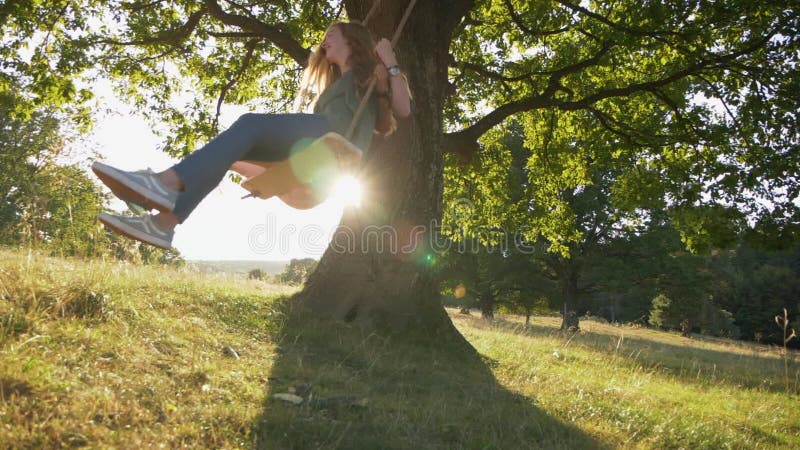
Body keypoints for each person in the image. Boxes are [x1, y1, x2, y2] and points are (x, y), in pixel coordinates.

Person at [93, 22, 412, 249]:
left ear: (351, 40)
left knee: (250, 124)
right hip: (315, 144)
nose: (323, 42)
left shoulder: (369, 75)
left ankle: (163, 183)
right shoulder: (337, 83)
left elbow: (402, 110)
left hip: (333, 138)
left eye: (331, 36)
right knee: (229, 154)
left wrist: (391, 62)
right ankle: (164, 224)